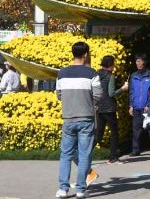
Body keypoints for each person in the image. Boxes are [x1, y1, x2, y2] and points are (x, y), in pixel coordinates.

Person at [56, 41, 102, 199]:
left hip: (68, 117)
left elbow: (59, 95)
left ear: (72, 53)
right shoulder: (92, 73)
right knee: (84, 154)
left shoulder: (62, 73)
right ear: (86, 54)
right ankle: (81, 189)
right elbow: (98, 95)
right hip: (86, 118)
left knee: (66, 154)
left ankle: (63, 188)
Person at [94, 55, 128, 163]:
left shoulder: (97, 74)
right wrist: (123, 88)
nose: (114, 66)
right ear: (110, 65)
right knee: (114, 132)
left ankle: (85, 154)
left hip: (99, 107)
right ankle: (113, 156)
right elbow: (111, 93)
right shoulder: (110, 76)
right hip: (109, 108)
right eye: (113, 64)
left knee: (99, 133)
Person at [128, 53, 150, 158]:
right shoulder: (133, 76)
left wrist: (149, 105)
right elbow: (131, 91)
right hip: (136, 107)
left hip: (147, 108)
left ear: (145, 62)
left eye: (140, 61)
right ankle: (135, 150)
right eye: (137, 61)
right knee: (136, 129)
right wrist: (131, 105)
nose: (138, 63)